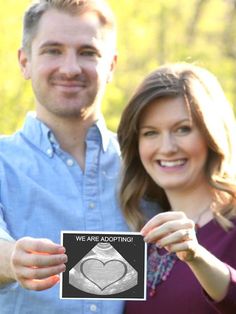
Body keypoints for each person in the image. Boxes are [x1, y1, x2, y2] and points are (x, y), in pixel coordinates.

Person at [0, 0, 129, 313]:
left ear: (110, 65)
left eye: (87, 52)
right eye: (53, 50)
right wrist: (12, 259)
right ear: (24, 62)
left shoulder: (147, 164)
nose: (70, 68)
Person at [117, 63, 236, 313]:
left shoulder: (231, 228)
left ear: (211, 134)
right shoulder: (140, 233)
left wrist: (196, 256)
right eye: (150, 133)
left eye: (183, 129)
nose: (167, 147)